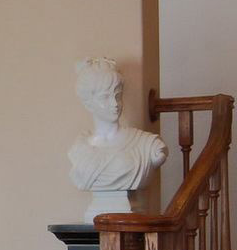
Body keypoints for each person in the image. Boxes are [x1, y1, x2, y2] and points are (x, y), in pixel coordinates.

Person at [67, 56, 166, 204]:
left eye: (117, 95)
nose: (115, 103)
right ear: (88, 104)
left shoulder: (147, 145)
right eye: (105, 97)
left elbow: (158, 154)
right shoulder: (79, 150)